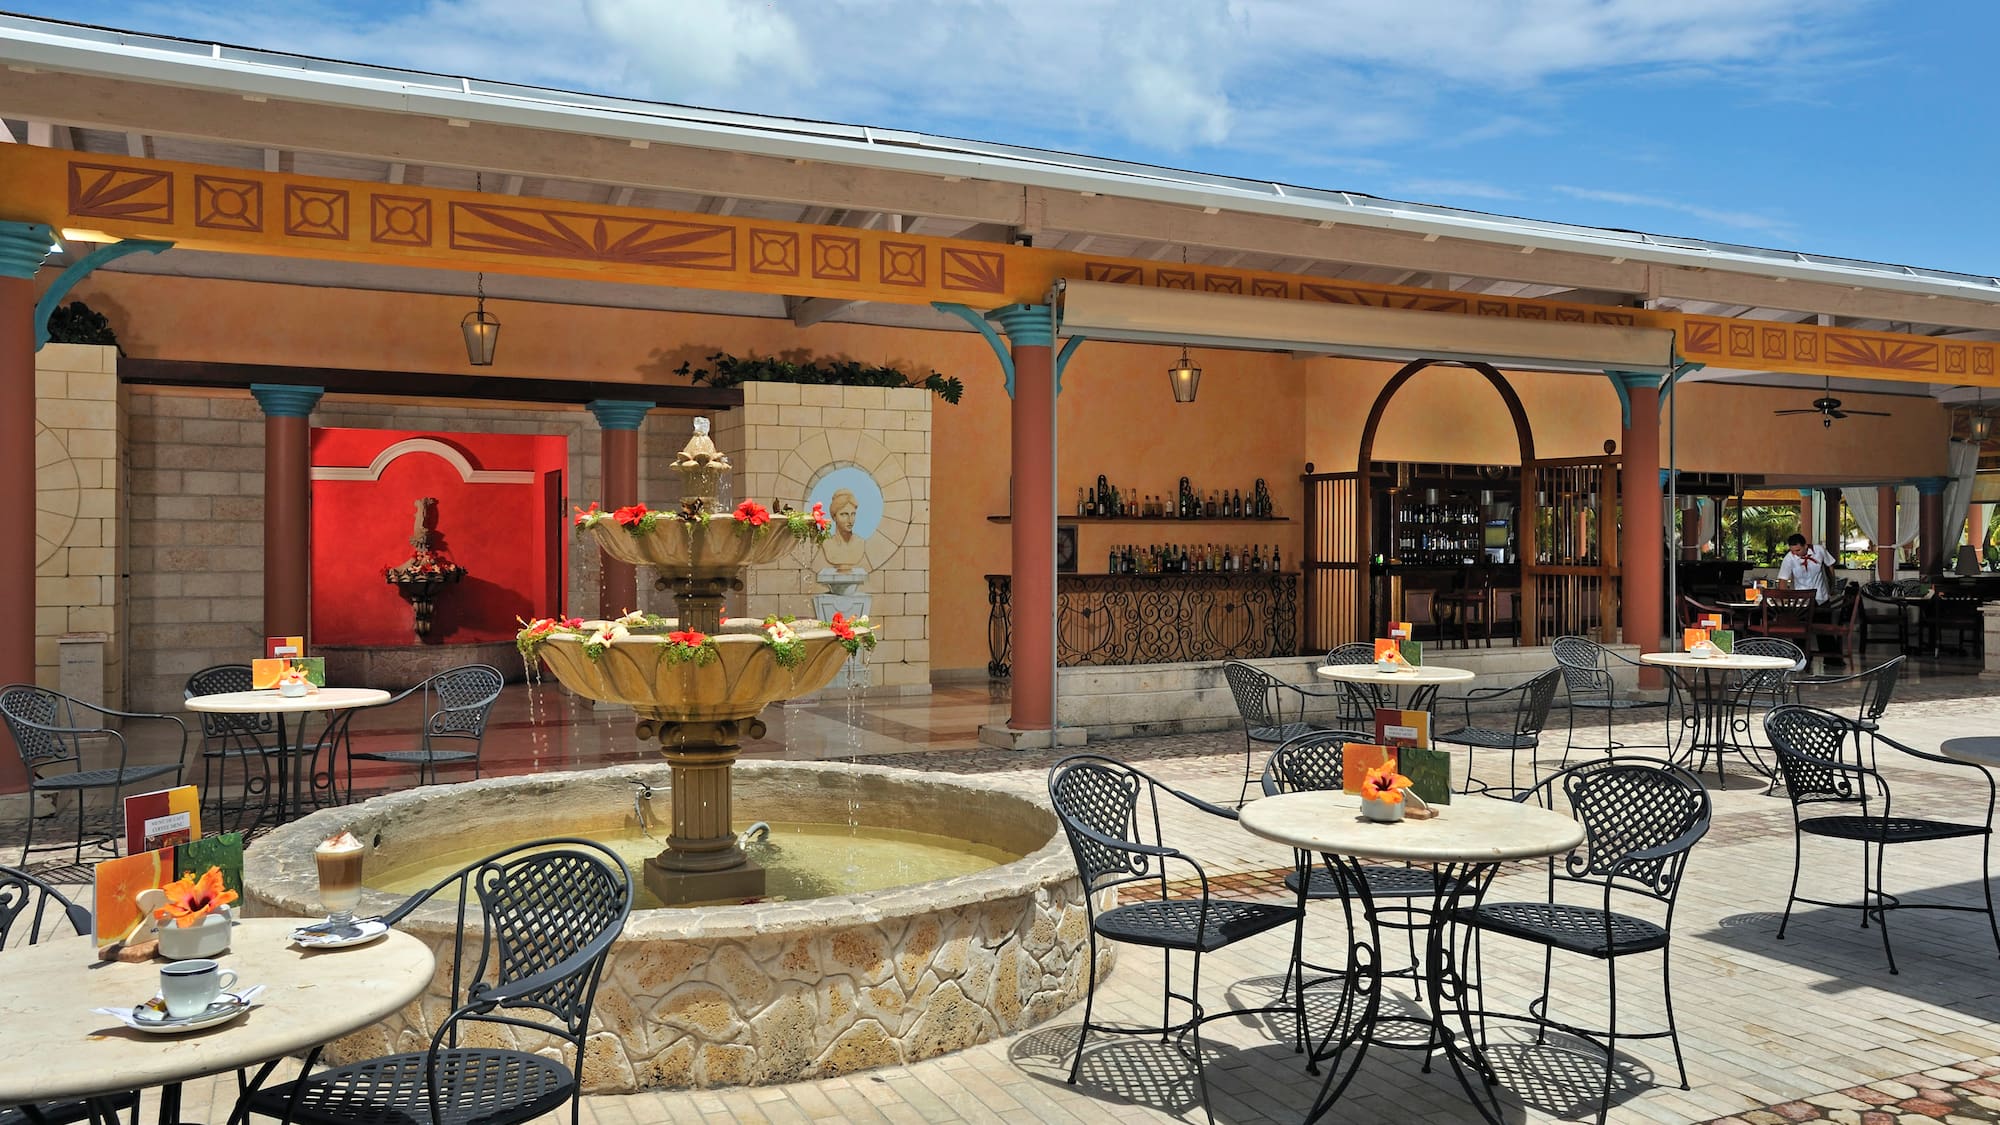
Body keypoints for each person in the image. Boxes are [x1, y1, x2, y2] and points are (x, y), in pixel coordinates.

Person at [1777, 532, 1837, 606]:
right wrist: (1785, 600)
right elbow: (1783, 580)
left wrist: (1833, 585)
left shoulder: (1819, 550)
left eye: (1798, 550)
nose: (1795, 553)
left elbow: (1830, 565)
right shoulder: (1789, 558)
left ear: (1805, 546)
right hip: (1801, 600)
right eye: (1792, 551)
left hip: (1821, 597)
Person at [819, 488, 868, 573]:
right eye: (844, 514)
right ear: (834, 517)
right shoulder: (827, 543)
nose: (850, 520)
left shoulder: (860, 542)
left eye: (853, 514)